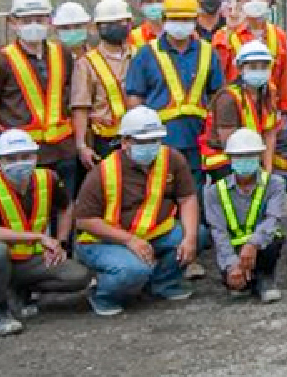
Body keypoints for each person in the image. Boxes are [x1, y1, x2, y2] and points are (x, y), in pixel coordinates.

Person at [73, 106, 200, 315]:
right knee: (133, 270)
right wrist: (128, 240)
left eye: (155, 141)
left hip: (153, 233)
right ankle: (102, 295)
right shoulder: (104, 171)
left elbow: (187, 198)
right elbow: (85, 220)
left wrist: (191, 238)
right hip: (103, 241)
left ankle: (162, 285)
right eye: (142, 142)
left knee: (196, 234)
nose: (150, 147)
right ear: (125, 142)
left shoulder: (172, 159)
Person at [0, 128, 93, 335]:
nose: (20, 163)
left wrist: (60, 243)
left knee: (79, 276)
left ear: (36, 157)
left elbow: (66, 207)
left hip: (30, 259)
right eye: (11, 158)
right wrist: (39, 237)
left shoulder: (48, 178)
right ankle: (0, 310)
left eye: (25, 156)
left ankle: (21, 289)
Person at [0, 0, 77, 198]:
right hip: (23, 156)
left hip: (63, 150)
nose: (34, 25)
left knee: (65, 208)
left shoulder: (63, 54)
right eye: (26, 20)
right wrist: (4, 135)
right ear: (14, 22)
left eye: (39, 19)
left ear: (49, 21)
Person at [122, 0, 222, 184]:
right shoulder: (146, 53)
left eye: (186, 19)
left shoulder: (208, 52)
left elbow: (217, 94)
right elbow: (135, 97)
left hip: (196, 138)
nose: (181, 24)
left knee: (194, 193)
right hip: (159, 139)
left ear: (195, 20)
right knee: (161, 192)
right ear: (164, 19)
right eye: (175, 19)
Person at [201, 128, 287, 303]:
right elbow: (219, 232)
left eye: (250, 155)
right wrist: (232, 265)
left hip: (262, 245)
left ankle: (265, 279)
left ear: (259, 156)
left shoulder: (275, 184)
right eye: (239, 156)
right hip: (232, 249)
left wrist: (252, 244)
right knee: (237, 287)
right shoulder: (214, 192)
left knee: (275, 237)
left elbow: (273, 219)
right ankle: (240, 279)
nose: (245, 161)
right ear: (230, 159)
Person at [200, 41, 282, 180]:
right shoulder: (228, 98)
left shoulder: (268, 94)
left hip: (254, 154)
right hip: (225, 159)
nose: (259, 71)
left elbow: (270, 133)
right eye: (253, 67)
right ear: (240, 68)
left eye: (263, 67)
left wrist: (267, 170)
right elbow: (228, 142)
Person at [72, 0, 136, 168]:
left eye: (120, 22)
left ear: (130, 23)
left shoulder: (139, 56)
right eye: (108, 23)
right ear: (97, 27)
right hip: (105, 140)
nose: (116, 27)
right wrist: (82, 145)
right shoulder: (86, 63)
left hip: (137, 136)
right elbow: (81, 107)